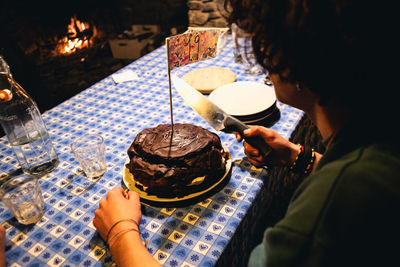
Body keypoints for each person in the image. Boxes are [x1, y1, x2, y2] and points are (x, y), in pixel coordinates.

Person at [94, 0, 399, 266]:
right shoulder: (381, 135)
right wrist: (299, 157)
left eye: (266, 40)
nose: (261, 52)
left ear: (302, 57)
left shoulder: (328, 209)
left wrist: (121, 233)